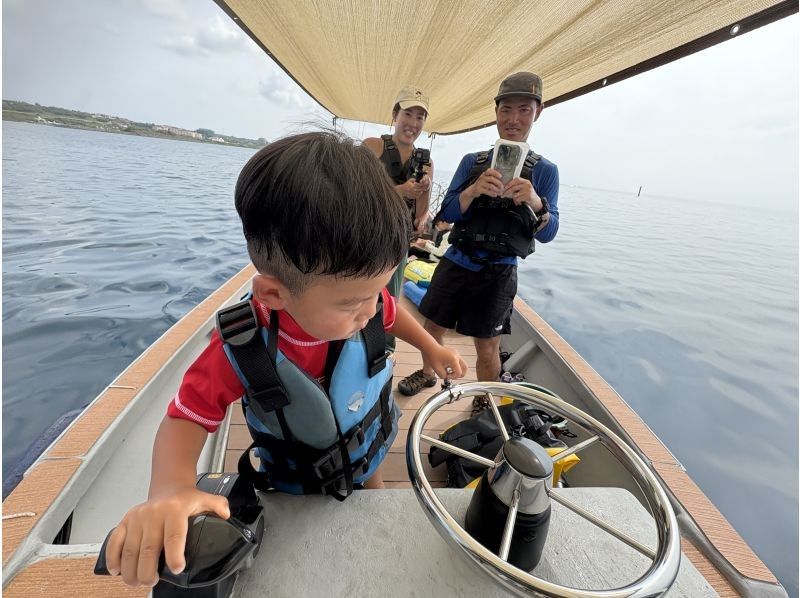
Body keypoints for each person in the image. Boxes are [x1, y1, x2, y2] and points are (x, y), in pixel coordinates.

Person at [104, 131, 467, 587]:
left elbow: (394, 318)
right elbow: (186, 418)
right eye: (352, 303)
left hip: (367, 455)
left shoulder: (367, 303)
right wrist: (172, 489)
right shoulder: (242, 346)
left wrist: (431, 348)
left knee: (373, 513)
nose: (371, 310)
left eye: (378, 291)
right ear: (274, 294)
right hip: (292, 484)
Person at [397, 72, 559, 396]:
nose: (513, 119)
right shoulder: (473, 162)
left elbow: (549, 232)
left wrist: (535, 200)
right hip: (458, 260)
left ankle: (485, 397)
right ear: (496, 112)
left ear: (537, 112)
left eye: (524, 110)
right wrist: (472, 191)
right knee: (432, 328)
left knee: (488, 347)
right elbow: (447, 214)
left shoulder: (545, 171)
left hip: (499, 272)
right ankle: (428, 373)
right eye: (506, 109)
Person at [363, 86, 433, 353]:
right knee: (359, 290)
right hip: (367, 234)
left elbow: (420, 216)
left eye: (420, 117)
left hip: (399, 240)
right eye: (408, 114)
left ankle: (384, 351)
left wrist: (423, 191)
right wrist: (399, 191)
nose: (413, 123)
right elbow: (354, 192)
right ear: (395, 114)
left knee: (390, 297)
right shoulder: (372, 146)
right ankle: (348, 340)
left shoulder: (426, 161)